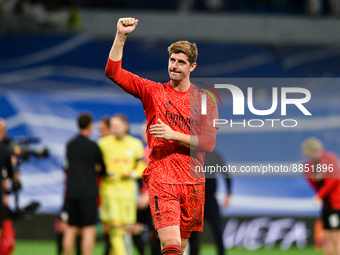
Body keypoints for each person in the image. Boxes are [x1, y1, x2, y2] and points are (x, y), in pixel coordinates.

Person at [105, 18, 218, 255]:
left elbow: (208, 143)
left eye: (181, 62)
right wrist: (121, 36)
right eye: (172, 60)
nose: (174, 66)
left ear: (192, 67)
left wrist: (173, 134)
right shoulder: (153, 92)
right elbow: (113, 72)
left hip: (194, 182)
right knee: (170, 244)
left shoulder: (205, 101)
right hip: (162, 178)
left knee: (179, 247)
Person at [98, 114, 144, 255]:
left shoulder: (135, 144)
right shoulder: (103, 144)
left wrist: (131, 174)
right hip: (110, 191)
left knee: (125, 229)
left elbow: (142, 166)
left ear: (125, 127)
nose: (114, 129)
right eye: (112, 126)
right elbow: (96, 165)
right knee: (116, 229)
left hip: (128, 193)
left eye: (116, 126)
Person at [62, 113, 106, 255]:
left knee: (71, 227)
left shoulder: (70, 145)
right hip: (88, 193)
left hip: (72, 192)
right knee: (88, 228)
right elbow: (103, 168)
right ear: (90, 126)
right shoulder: (93, 146)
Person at [301, 137, 340, 255]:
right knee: (327, 234)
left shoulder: (329, 159)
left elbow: (335, 179)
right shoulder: (309, 166)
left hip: (336, 204)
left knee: (336, 234)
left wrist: (319, 195)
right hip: (326, 204)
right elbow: (314, 184)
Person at [189, 150, 231, 255]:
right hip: (194, 200)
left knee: (218, 229)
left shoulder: (214, 155)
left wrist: (228, 194)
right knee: (192, 232)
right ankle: (194, 253)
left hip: (210, 200)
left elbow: (225, 174)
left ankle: (221, 253)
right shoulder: (191, 155)